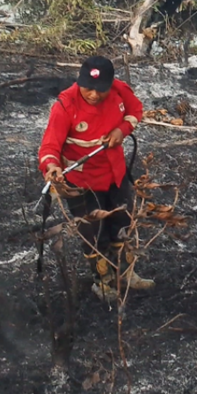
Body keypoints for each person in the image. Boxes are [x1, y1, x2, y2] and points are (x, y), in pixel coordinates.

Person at [39, 56, 154, 300]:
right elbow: (50, 145)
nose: (93, 94)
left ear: (110, 84)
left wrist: (121, 130)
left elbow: (136, 111)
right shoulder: (64, 105)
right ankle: (101, 282)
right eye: (87, 87)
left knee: (123, 222)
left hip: (116, 173)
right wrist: (52, 167)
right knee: (93, 231)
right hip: (83, 181)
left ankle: (125, 273)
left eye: (100, 89)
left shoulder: (120, 90)